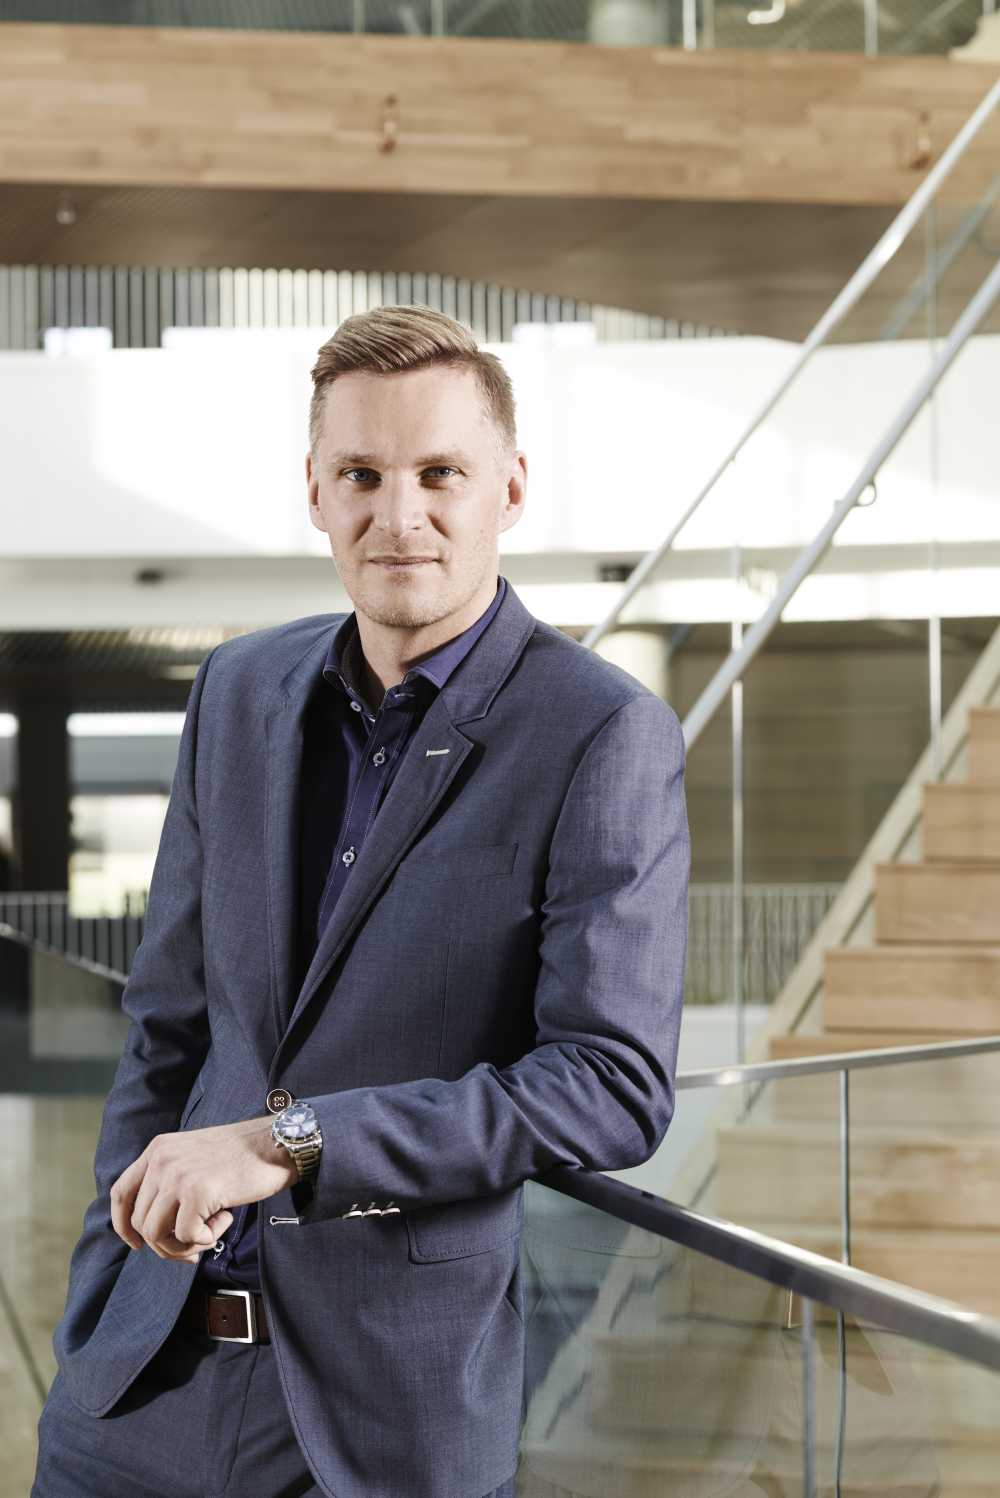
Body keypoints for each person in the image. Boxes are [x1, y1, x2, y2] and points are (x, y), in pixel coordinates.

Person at [34, 306, 689, 1498]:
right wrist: (106, 1280)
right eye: (362, 475)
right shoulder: (238, 687)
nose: (399, 515)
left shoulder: (600, 731)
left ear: (509, 488)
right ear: (316, 491)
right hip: (135, 1390)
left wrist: (290, 1143)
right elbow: (168, 1021)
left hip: (377, 1423)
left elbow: (610, 1081)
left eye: (440, 473)